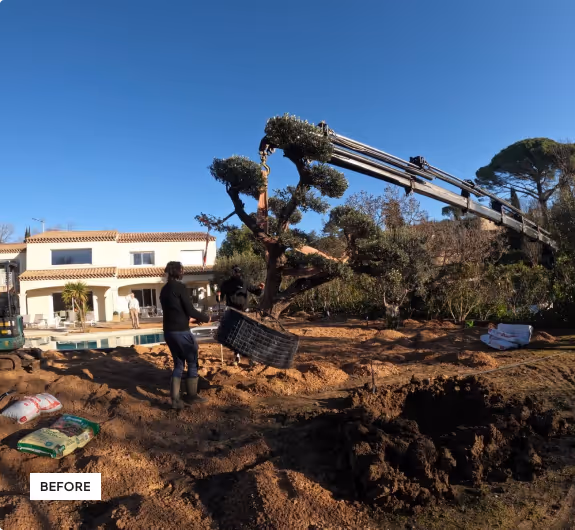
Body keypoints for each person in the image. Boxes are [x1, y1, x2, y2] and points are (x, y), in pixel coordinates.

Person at [160, 261, 210, 410]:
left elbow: (175, 311)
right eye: (181, 270)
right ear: (176, 271)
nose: (183, 272)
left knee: (179, 364)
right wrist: (206, 318)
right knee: (193, 360)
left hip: (169, 332)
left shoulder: (164, 290)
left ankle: (175, 400)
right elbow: (190, 310)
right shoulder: (180, 287)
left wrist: (192, 319)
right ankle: (192, 396)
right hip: (181, 332)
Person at [218, 266, 265, 364]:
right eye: (235, 272)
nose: (237, 274)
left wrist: (260, 288)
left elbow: (257, 292)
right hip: (232, 312)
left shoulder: (244, 283)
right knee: (234, 334)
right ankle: (237, 355)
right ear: (232, 273)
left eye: (238, 272)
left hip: (244, 312)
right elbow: (220, 298)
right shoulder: (226, 284)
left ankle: (251, 357)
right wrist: (218, 295)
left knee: (248, 333)